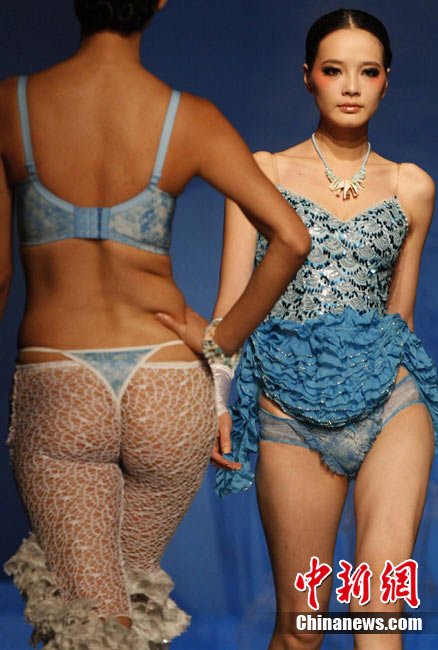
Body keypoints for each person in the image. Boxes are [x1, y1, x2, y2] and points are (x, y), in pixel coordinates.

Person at [0, 1, 311, 648]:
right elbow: (291, 237)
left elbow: (0, 276)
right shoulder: (188, 118)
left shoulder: (12, 106)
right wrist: (220, 343)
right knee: (126, 608)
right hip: (168, 390)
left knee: (93, 621)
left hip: (62, 384)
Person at [161, 8, 438, 650]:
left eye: (368, 72)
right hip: (289, 411)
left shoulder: (413, 187)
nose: (351, 86)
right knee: (301, 628)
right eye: (334, 70)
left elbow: (400, 316)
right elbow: (232, 308)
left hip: (392, 400)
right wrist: (218, 398)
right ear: (308, 76)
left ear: (387, 81)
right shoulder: (263, 173)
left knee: (377, 611)